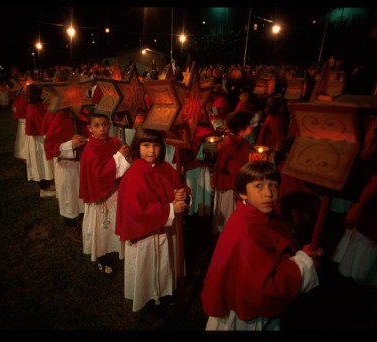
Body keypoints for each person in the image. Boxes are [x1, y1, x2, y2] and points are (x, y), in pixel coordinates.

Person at [201, 160, 321, 331]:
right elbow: (263, 289)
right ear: (243, 193)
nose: (268, 193)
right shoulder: (247, 230)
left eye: (273, 185)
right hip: (247, 313)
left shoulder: (260, 216)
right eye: (259, 186)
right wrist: (304, 263)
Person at [115, 127, 189, 312]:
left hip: (166, 232)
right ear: (137, 147)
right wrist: (172, 209)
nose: (151, 151)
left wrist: (183, 196)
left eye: (156, 145)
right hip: (145, 236)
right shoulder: (133, 175)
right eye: (146, 145)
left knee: (165, 263)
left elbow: (180, 188)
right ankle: (149, 296)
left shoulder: (166, 169)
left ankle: (165, 292)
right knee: (149, 266)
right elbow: (137, 212)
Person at [79, 112, 131, 275]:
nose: (102, 129)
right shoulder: (90, 150)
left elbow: (125, 164)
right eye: (97, 125)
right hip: (100, 197)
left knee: (115, 225)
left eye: (105, 124)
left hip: (115, 192)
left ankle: (117, 249)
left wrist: (126, 156)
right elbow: (98, 175)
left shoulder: (114, 142)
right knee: (101, 230)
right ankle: (101, 256)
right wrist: (118, 158)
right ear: (89, 128)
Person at [44, 107, 88, 241]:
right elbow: (51, 145)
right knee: (69, 196)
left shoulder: (82, 115)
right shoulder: (59, 119)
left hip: (81, 164)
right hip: (67, 167)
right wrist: (70, 144)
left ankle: (83, 222)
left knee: (81, 195)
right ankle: (70, 226)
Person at [211, 110, 254, 234]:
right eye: (249, 124)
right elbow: (228, 165)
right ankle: (227, 231)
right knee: (229, 208)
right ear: (241, 128)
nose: (251, 126)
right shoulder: (235, 144)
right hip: (231, 183)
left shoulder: (236, 141)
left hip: (232, 181)